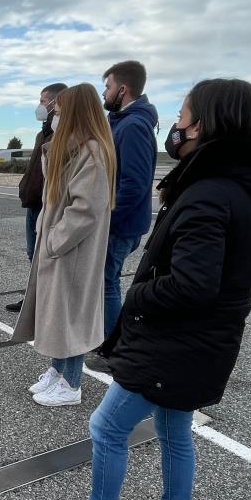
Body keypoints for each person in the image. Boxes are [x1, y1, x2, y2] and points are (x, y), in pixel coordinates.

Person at [40, 79, 251, 500]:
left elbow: (192, 284)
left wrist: (137, 296)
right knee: (174, 430)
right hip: (209, 341)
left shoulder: (209, 193)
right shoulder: (242, 186)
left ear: (205, 124)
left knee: (107, 428)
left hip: (175, 342)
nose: (176, 126)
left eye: (183, 116)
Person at [11, 83, 116, 407]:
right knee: (58, 315)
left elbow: (85, 210)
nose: (53, 116)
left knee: (72, 317)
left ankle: (71, 383)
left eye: (58, 111)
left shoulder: (93, 152)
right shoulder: (70, 147)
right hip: (61, 247)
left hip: (73, 251)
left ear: (74, 113)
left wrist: (54, 239)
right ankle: (57, 371)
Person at [86, 60, 158, 371]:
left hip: (119, 225)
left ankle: (113, 350)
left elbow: (134, 183)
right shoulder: (121, 122)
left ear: (123, 89)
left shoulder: (133, 126)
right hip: (116, 222)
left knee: (107, 282)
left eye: (108, 86)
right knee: (105, 281)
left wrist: (107, 221)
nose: (105, 92)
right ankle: (107, 341)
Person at [7, 82, 67, 313]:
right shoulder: (43, 132)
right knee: (33, 255)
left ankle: (42, 303)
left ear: (55, 103)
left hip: (47, 205)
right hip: (34, 203)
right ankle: (34, 299)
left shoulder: (61, 134)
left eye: (43, 101)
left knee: (44, 256)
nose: (40, 106)